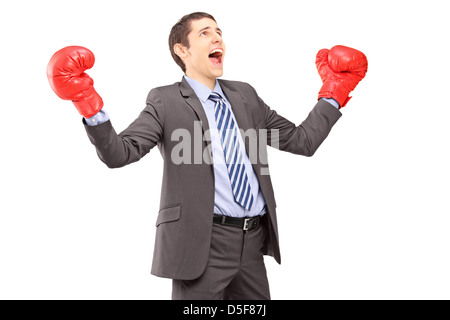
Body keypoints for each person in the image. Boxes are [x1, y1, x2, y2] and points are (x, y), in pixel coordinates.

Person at [47, 12, 367, 300]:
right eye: (204, 33)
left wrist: (335, 92)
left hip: (252, 241)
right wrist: (87, 102)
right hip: (202, 243)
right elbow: (120, 153)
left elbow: (302, 141)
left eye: (219, 32)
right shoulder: (165, 101)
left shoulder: (245, 96)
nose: (217, 38)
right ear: (181, 51)